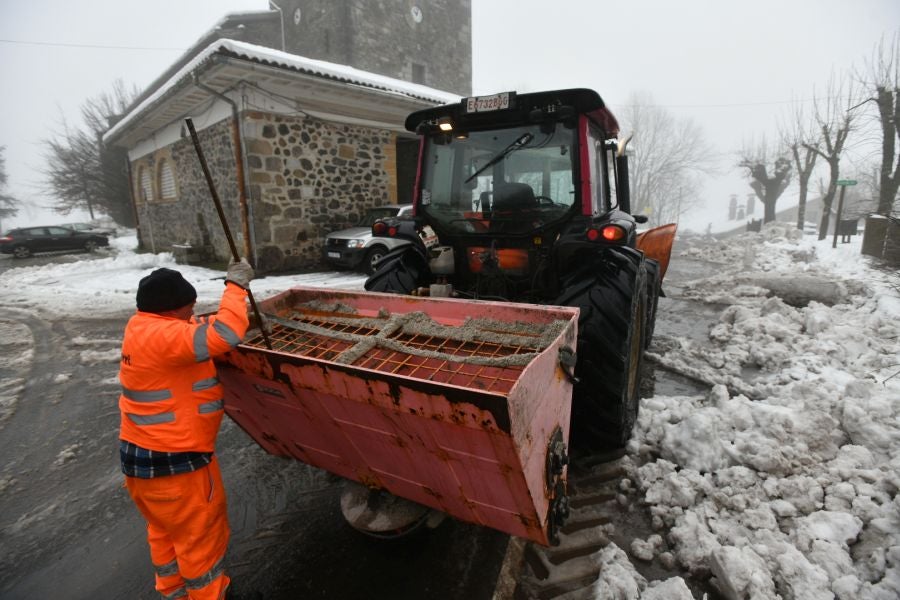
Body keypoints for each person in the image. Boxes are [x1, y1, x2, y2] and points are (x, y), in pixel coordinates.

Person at [118, 258, 254, 600]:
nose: (192, 312)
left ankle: (174, 591)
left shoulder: (141, 326)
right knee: (200, 538)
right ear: (172, 309)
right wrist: (236, 288)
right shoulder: (167, 337)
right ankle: (211, 595)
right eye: (188, 308)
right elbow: (225, 335)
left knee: (165, 531)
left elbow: (191, 328)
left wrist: (205, 316)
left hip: (141, 461)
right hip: (178, 463)